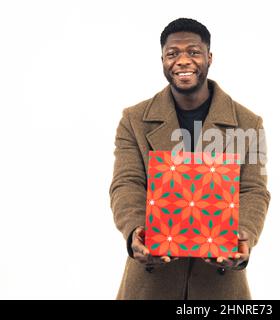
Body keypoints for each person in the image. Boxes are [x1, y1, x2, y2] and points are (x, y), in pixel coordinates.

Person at [109, 18, 270, 300]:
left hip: (220, 281)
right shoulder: (133, 120)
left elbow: (253, 189)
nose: (183, 60)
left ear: (209, 57)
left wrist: (243, 234)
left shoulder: (248, 123)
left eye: (193, 52)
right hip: (151, 279)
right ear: (162, 60)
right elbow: (127, 183)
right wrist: (136, 231)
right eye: (173, 53)